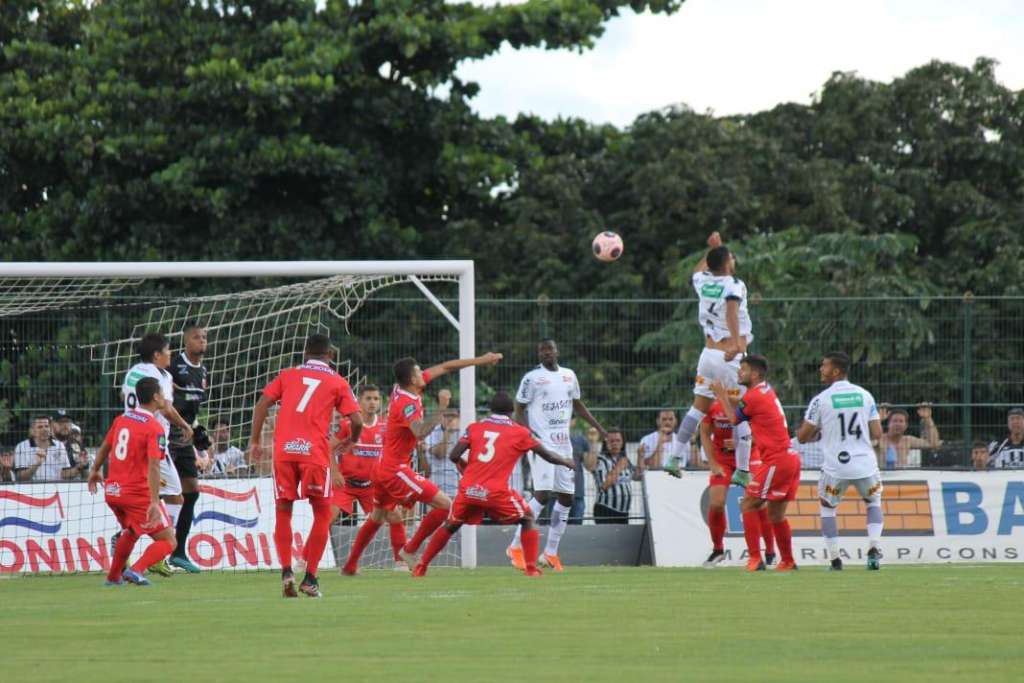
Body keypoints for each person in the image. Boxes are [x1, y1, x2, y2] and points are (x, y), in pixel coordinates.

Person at [341, 351, 503, 575]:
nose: (424, 374)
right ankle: (410, 550)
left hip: (383, 466)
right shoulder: (407, 403)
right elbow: (419, 432)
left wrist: (481, 360)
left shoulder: (405, 388)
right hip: (395, 469)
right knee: (446, 505)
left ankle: (350, 565)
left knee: (378, 516)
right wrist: (442, 407)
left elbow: (446, 366)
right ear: (412, 380)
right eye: (419, 372)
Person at [410, 391, 575, 577]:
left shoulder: (474, 428)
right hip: (496, 492)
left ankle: (421, 565)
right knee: (528, 518)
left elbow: (454, 456)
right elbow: (547, 455)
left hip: (469, 489)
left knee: (450, 525)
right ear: (512, 411)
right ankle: (530, 568)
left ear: (491, 409)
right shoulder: (520, 432)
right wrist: (566, 462)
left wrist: (468, 471)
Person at [249, 333, 362, 598]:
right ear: (330, 355)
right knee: (322, 513)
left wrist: (254, 441)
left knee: (283, 510)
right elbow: (356, 420)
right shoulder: (337, 381)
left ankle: (287, 571)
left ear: (305, 353)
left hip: (284, 451)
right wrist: (351, 440)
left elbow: (263, 403)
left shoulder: (287, 375)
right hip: (313, 453)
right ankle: (310, 578)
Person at [506, 339, 607, 572]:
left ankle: (550, 553)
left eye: (550, 349)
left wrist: (599, 427)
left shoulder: (569, 376)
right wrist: (527, 435)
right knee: (542, 494)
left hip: (564, 444)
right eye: (542, 350)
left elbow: (578, 405)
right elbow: (518, 407)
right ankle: (514, 546)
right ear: (539, 354)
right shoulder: (532, 378)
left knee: (567, 498)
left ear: (557, 351)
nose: (547, 353)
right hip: (542, 442)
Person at [675, 232, 756, 487]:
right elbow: (732, 312)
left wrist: (713, 249)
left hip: (707, 354)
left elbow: (698, 271)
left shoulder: (702, 281)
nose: (733, 260)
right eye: (730, 257)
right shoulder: (735, 284)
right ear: (728, 264)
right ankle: (743, 470)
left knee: (698, 407)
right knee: (741, 409)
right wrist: (735, 343)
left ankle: (674, 458)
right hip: (727, 355)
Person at [710, 354, 800, 572]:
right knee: (776, 514)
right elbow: (742, 408)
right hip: (790, 458)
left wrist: (720, 395)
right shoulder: (764, 391)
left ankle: (754, 559)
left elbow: (733, 419)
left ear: (756, 373)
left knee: (748, 504)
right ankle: (787, 561)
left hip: (777, 459)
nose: (739, 372)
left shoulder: (753, 396)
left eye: (744, 369)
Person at [796, 352, 885, 571]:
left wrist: (822, 430)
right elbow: (877, 433)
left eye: (824, 366)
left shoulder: (821, 399)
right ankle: (874, 547)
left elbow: (802, 437)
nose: (820, 369)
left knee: (828, 508)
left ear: (836, 371)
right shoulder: (865, 396)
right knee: (873, 502)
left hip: (836, 467)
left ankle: (835, 561)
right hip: (865, 464)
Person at [87, 377, 177, 586]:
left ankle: (113, 577)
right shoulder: (154, 428)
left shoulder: (122, 419)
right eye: (162, 394)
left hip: (113, 491)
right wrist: (154, 501)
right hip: (136, 493)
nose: (164, 398)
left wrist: (94, 470)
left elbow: (106, 446)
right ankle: (136, 570)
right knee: (169, 541)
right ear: (155, 397)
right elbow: (155, 466)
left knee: (132, 531)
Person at [121, 332, 193, 577]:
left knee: (146, 497)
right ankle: (157, 553)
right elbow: (166, 407)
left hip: (129, 439)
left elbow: (125, 398)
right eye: (168, 351)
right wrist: (185, 425)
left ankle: (128, 541)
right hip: (151, 441)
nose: (170, 355)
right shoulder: (159, 376)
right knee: (175, 496)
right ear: (156, 355)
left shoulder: (132, 373)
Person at [315, 384, 408, 571]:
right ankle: (306, 560)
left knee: (395, 515)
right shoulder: (347, 425)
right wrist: (334, 472)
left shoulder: (385, 427)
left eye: (376, 399)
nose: (372, 403)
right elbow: (328, 448)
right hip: (346, 484)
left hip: (372, 486)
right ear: (359, 401)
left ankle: (400, 562)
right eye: (368, 398)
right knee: (326, 518)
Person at [699, 400, 775, 568]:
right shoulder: (713, 405)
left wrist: (742, 442)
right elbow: (704, 433)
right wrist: (712, 462)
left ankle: (770, 552)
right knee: (716, 503)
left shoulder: (751, 403)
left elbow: (764, 435)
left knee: (758, 503)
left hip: (750, 457)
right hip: (722, 459)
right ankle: (718, 550)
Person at [167, 321, 210, 573]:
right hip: (167, 437)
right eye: (197, 337)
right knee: (164, 494)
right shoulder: (174, 368)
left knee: (191, 491)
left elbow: (193, 415)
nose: (202, 341)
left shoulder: (203, 372)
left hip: (184, 437)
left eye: (204, 337)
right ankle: (128, 538)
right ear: (186, 341)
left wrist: (202, 446)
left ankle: (178, 552)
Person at [583, 427, 640, 524]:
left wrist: (641, 456)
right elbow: (590, 467)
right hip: (605, 509)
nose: (615, 443)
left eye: (618, 440)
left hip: (624, 512)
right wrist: (593, 442)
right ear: (606, 443)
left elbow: (637, 477)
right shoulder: (600, 460)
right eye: (611, 441)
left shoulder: (625, 460)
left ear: (622, 443)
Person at [875, 403, 941, 468]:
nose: (898, 424)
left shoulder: (908, 440)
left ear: (906, 426)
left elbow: (934, 444)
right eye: (895, 421)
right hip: (883, 476)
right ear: (888, 424)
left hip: (903, 476)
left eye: (901, 421)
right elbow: (868, 441)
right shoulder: (880, 438)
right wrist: (878, 420)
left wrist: (928, 419)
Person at [13, 415, 74, 481]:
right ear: (32, 431)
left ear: (50, 429)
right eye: (40, 427)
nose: (44, 429)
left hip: (57, 487)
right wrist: (36, 465)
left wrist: (80, 467)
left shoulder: (59, 445)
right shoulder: (22, 447)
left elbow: (65, 474)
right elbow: (20, 477)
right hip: (32, 488)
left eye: (46, 426)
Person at [426, 409, 463, 498]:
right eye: (446, 416)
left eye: (453, 416)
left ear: (459, 418)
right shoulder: (433, 432)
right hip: (438, 487)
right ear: (441, 418)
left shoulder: (464, 431)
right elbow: (440, 454)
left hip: (459, 486)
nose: (450, 419)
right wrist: (448, 432)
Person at [51, 410, 89, 480]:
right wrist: (79, 467)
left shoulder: (77, 445)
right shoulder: (47, 444)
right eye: (61, 422)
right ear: (53, 424)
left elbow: (86, 475)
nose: (65, 425)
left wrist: (84, 465)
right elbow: (61, 475)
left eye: (68, 421)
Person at [568, 418, 589, 524]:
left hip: (577, 494)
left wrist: (593, 442)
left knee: (576, 529)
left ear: (574, 421)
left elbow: (590, 466)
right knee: (554, 528)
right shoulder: (548, 438)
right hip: (555, 495)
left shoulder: (580, 440)